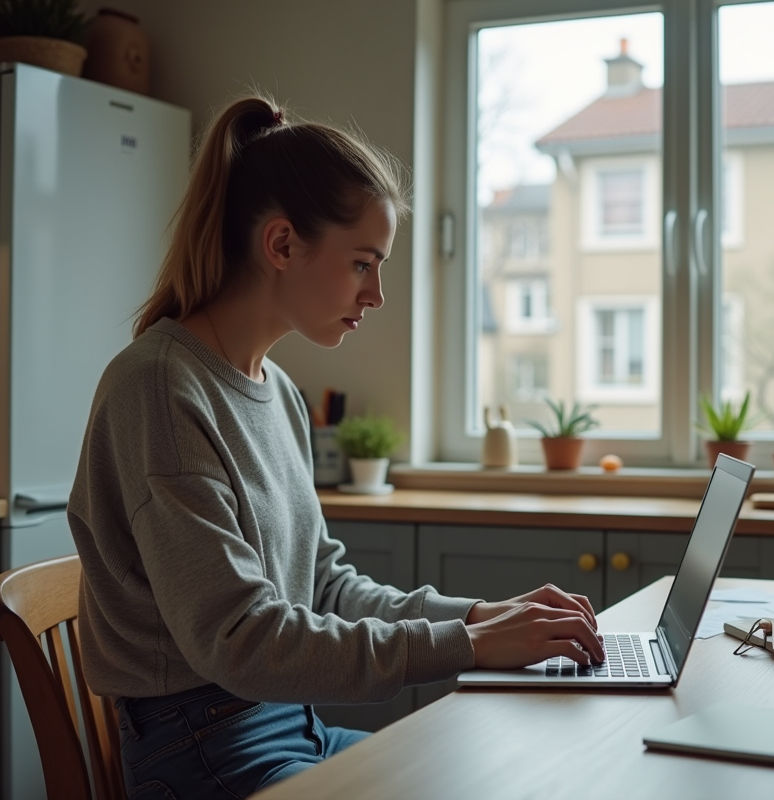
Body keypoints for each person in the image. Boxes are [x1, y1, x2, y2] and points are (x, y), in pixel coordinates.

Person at [67, 94, 605, 799]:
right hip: (203, 751)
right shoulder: (162, 390)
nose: (376, 293)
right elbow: (239, 639)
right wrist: (467, 647)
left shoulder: (278, 392)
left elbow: (325, 588)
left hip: (290, 724)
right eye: (362, 263)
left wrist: (483, 616)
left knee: (492, 775)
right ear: (282, 244)